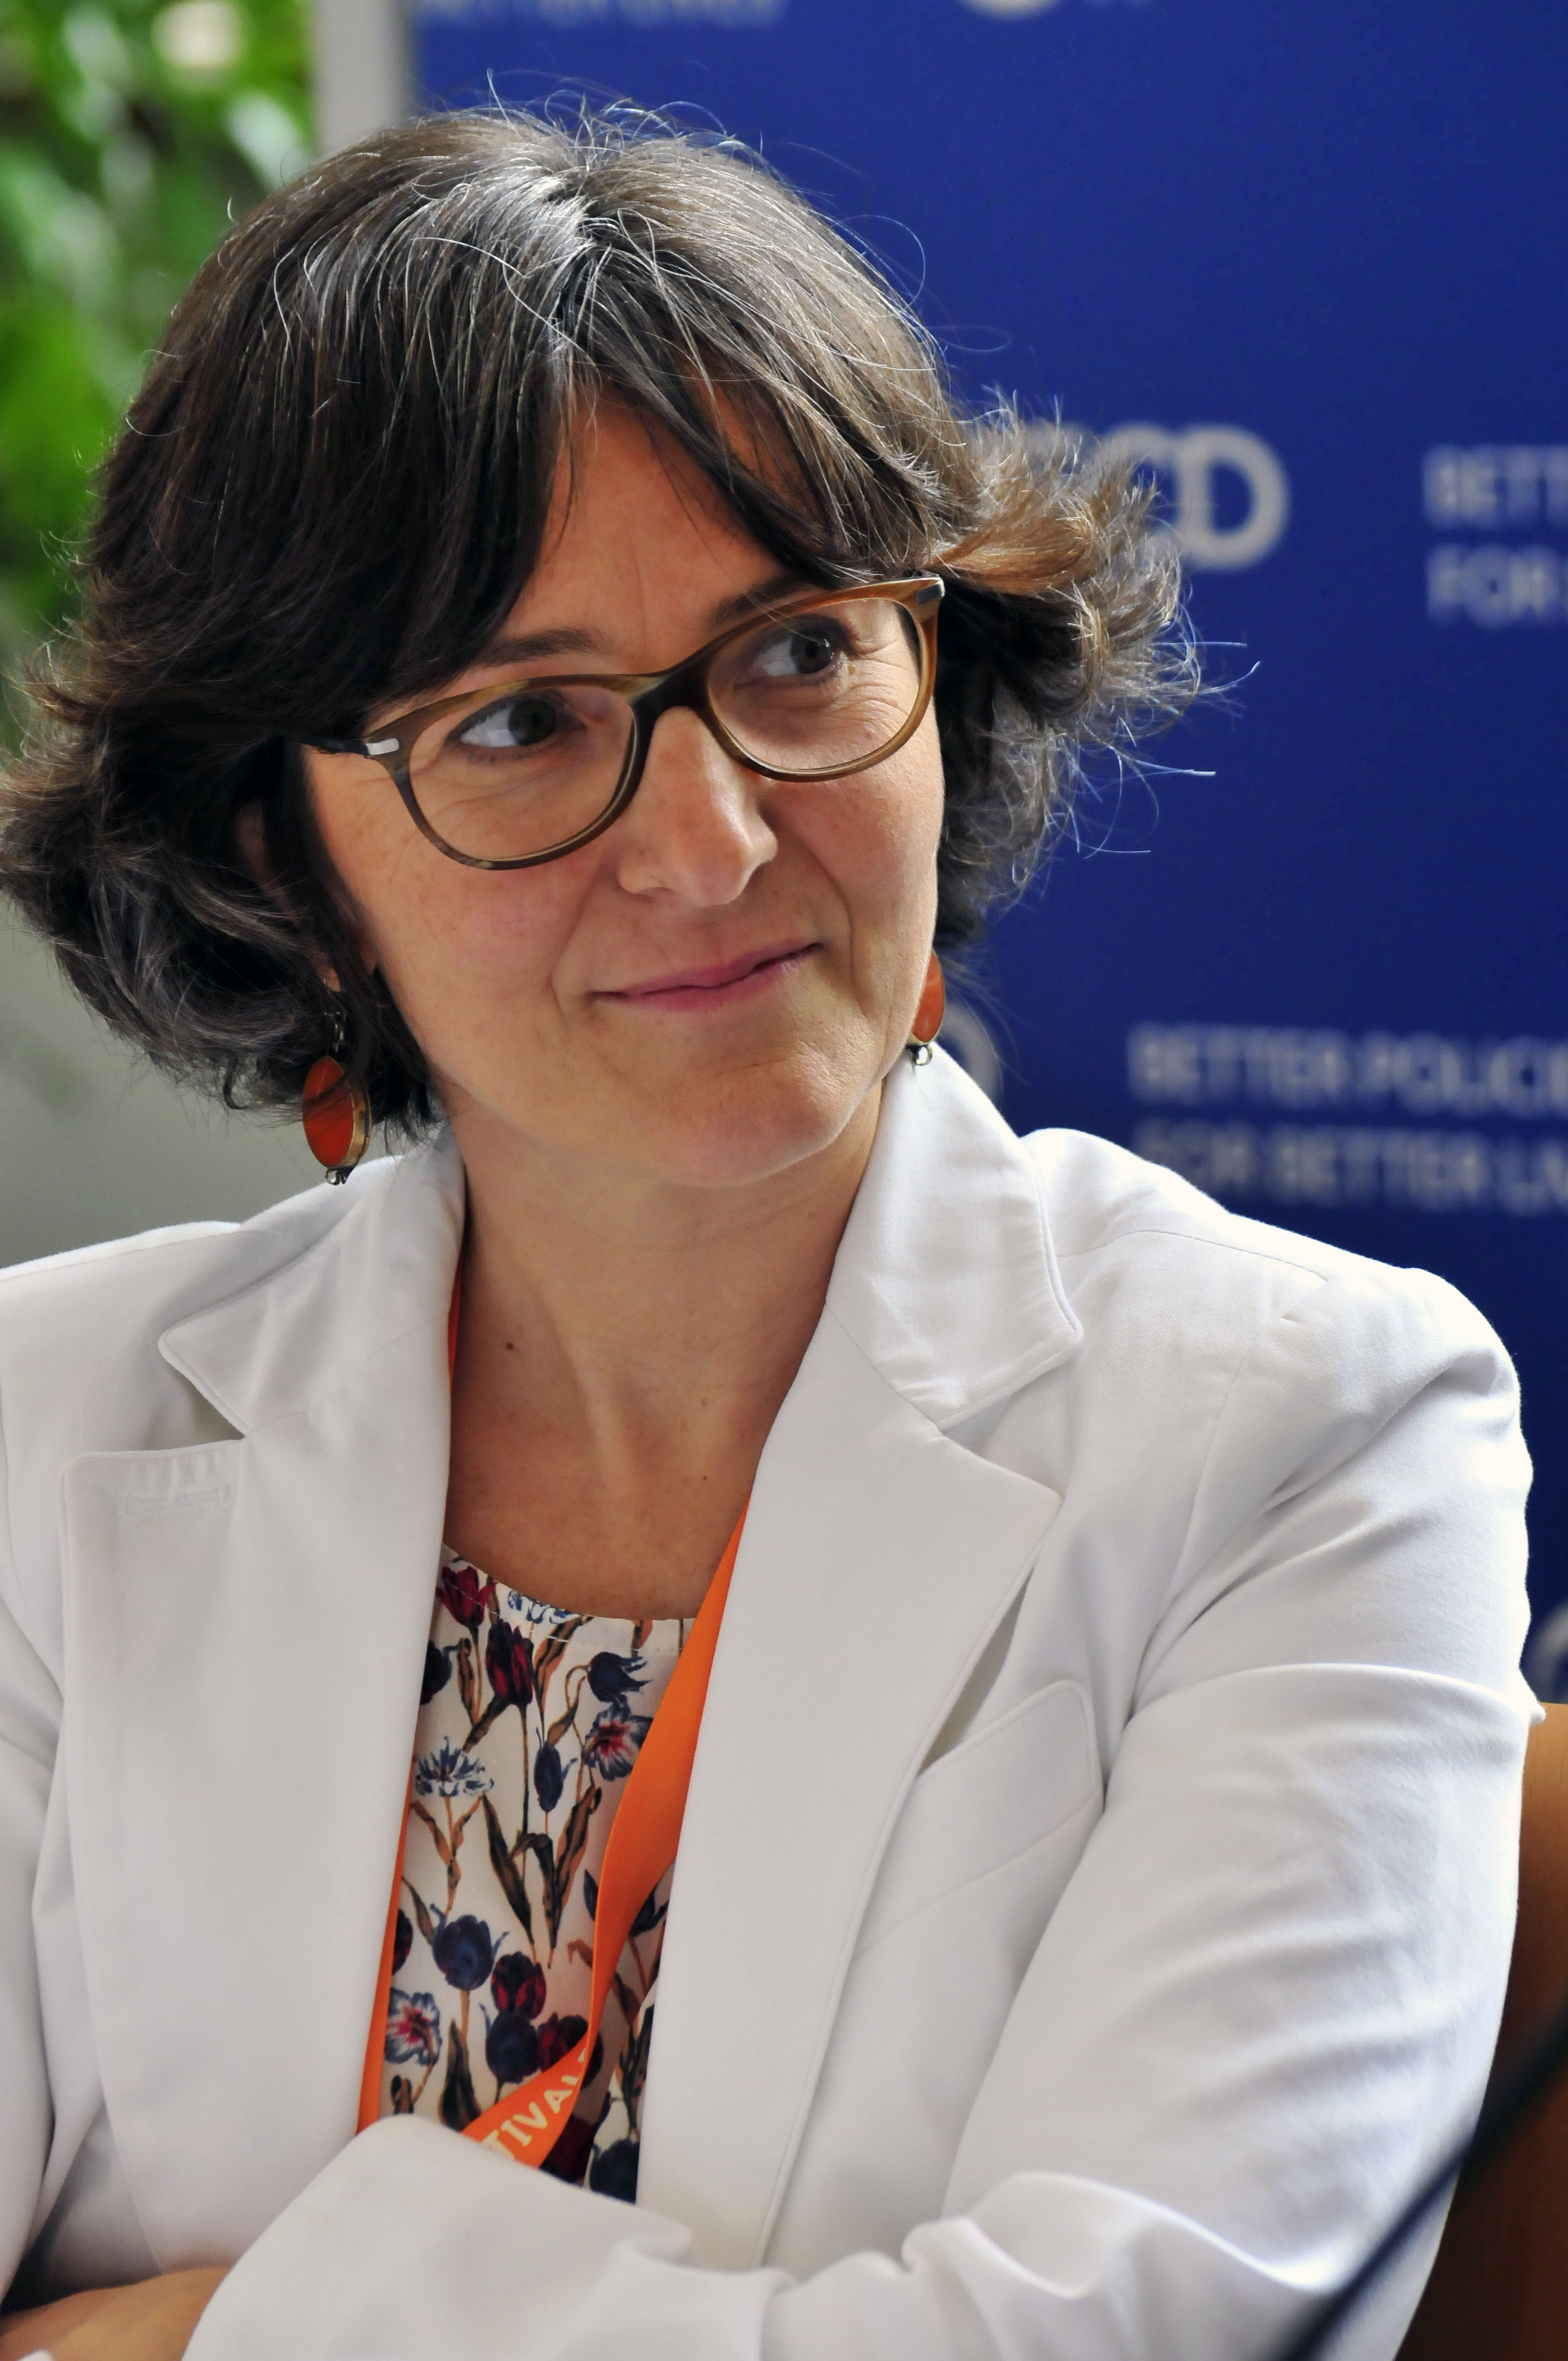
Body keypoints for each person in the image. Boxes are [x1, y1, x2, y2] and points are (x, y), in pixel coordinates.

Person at [0, 107, 1533, 2361]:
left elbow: (1141, 2339)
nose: (713, 839)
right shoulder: (41, 1427)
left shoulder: (1310, 1431)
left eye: (801, 652)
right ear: (281, 857)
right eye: (525, 722)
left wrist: (212, 2332)